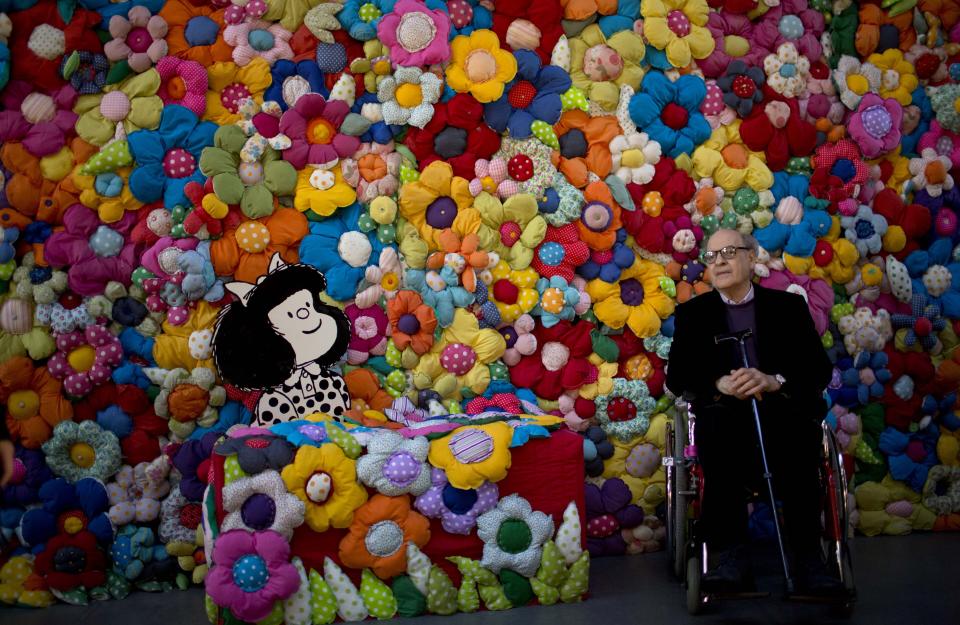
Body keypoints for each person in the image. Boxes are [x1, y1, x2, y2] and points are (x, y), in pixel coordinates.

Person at [666, 228, 841, 595]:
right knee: (718, 431)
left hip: (780, 412)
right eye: (712, 256)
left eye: (729, 251)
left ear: (752, 257)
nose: (720, 261)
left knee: (799, 435)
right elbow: (678, 376)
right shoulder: (693, 314)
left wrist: (774, 379)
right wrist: (719, 383)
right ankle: (731, 556)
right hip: (724, 415)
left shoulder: (788, 308)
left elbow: (818, 370)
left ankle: (810, 558)